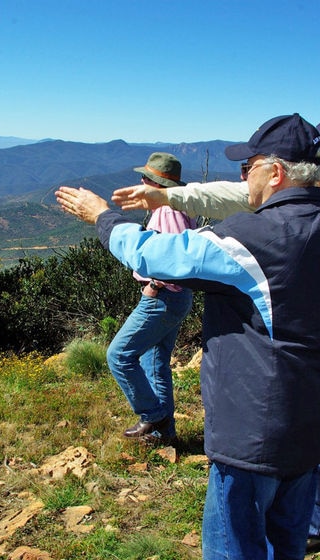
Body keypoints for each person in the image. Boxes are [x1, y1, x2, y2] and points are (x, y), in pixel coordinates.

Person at [56, 113, 320, 560]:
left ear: (274, 172)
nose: (241, 176)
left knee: (235, 546)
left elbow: (152, 254)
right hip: (315, 434)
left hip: (251, 436)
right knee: (286, 546)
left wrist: (101, 217)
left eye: (246, 166)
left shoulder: (247, 240)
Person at [107, 152, 197, 445]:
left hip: (163, 297)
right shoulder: (176, 206)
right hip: (177, 296)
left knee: (119, 356)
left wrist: (155, 285)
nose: (140, 182)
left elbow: (173, 256)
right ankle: (163, 434)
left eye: (144, 178)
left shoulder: (167, 211)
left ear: (151, 182)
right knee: (155, 362)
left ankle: (152, 415)